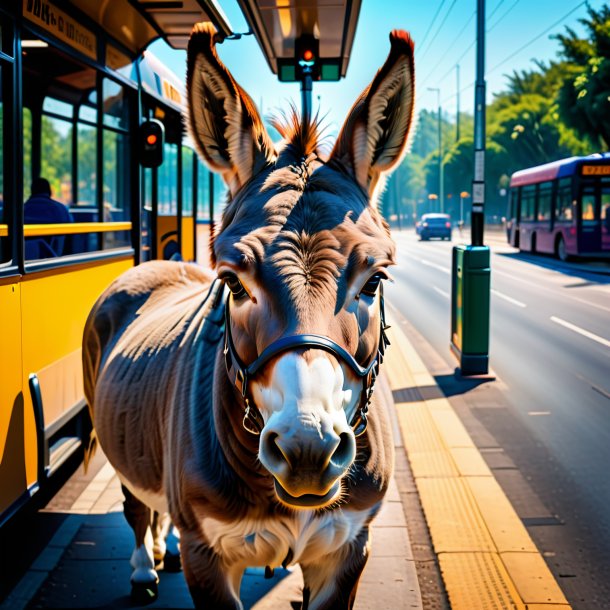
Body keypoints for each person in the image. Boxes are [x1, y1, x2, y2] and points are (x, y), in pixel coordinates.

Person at [24, 177, 73, 258]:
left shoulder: (21, 211)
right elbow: (71, 234)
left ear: (32, 191)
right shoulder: (61, 209)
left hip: (26, 259)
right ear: (49, 191)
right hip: (55, 258)